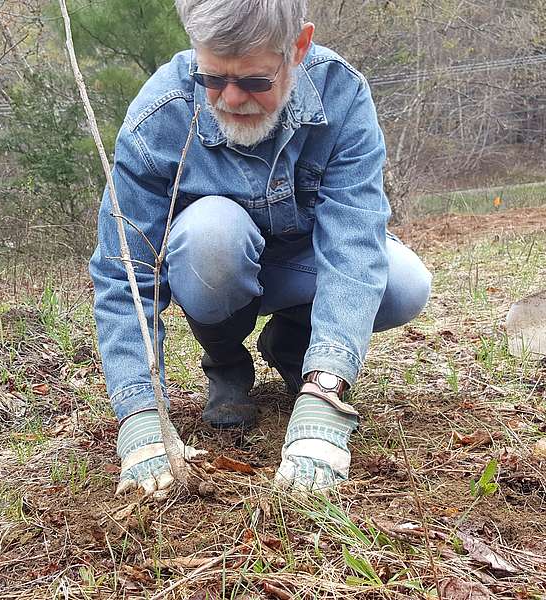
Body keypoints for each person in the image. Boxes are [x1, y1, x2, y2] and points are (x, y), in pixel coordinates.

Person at [89, 0, 432, 496]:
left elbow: (353, 241)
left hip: (302, 262)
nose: (230, 98)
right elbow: (125, 271)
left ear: (298, 47)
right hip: (213, 266)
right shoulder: (160, 115)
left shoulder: (342, 96)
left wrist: (328, 389)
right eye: (212, 78)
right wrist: (141, 417)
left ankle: (295, 347)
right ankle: (226, 363)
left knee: (403, 285)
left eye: (254, 81)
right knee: (212, 234)